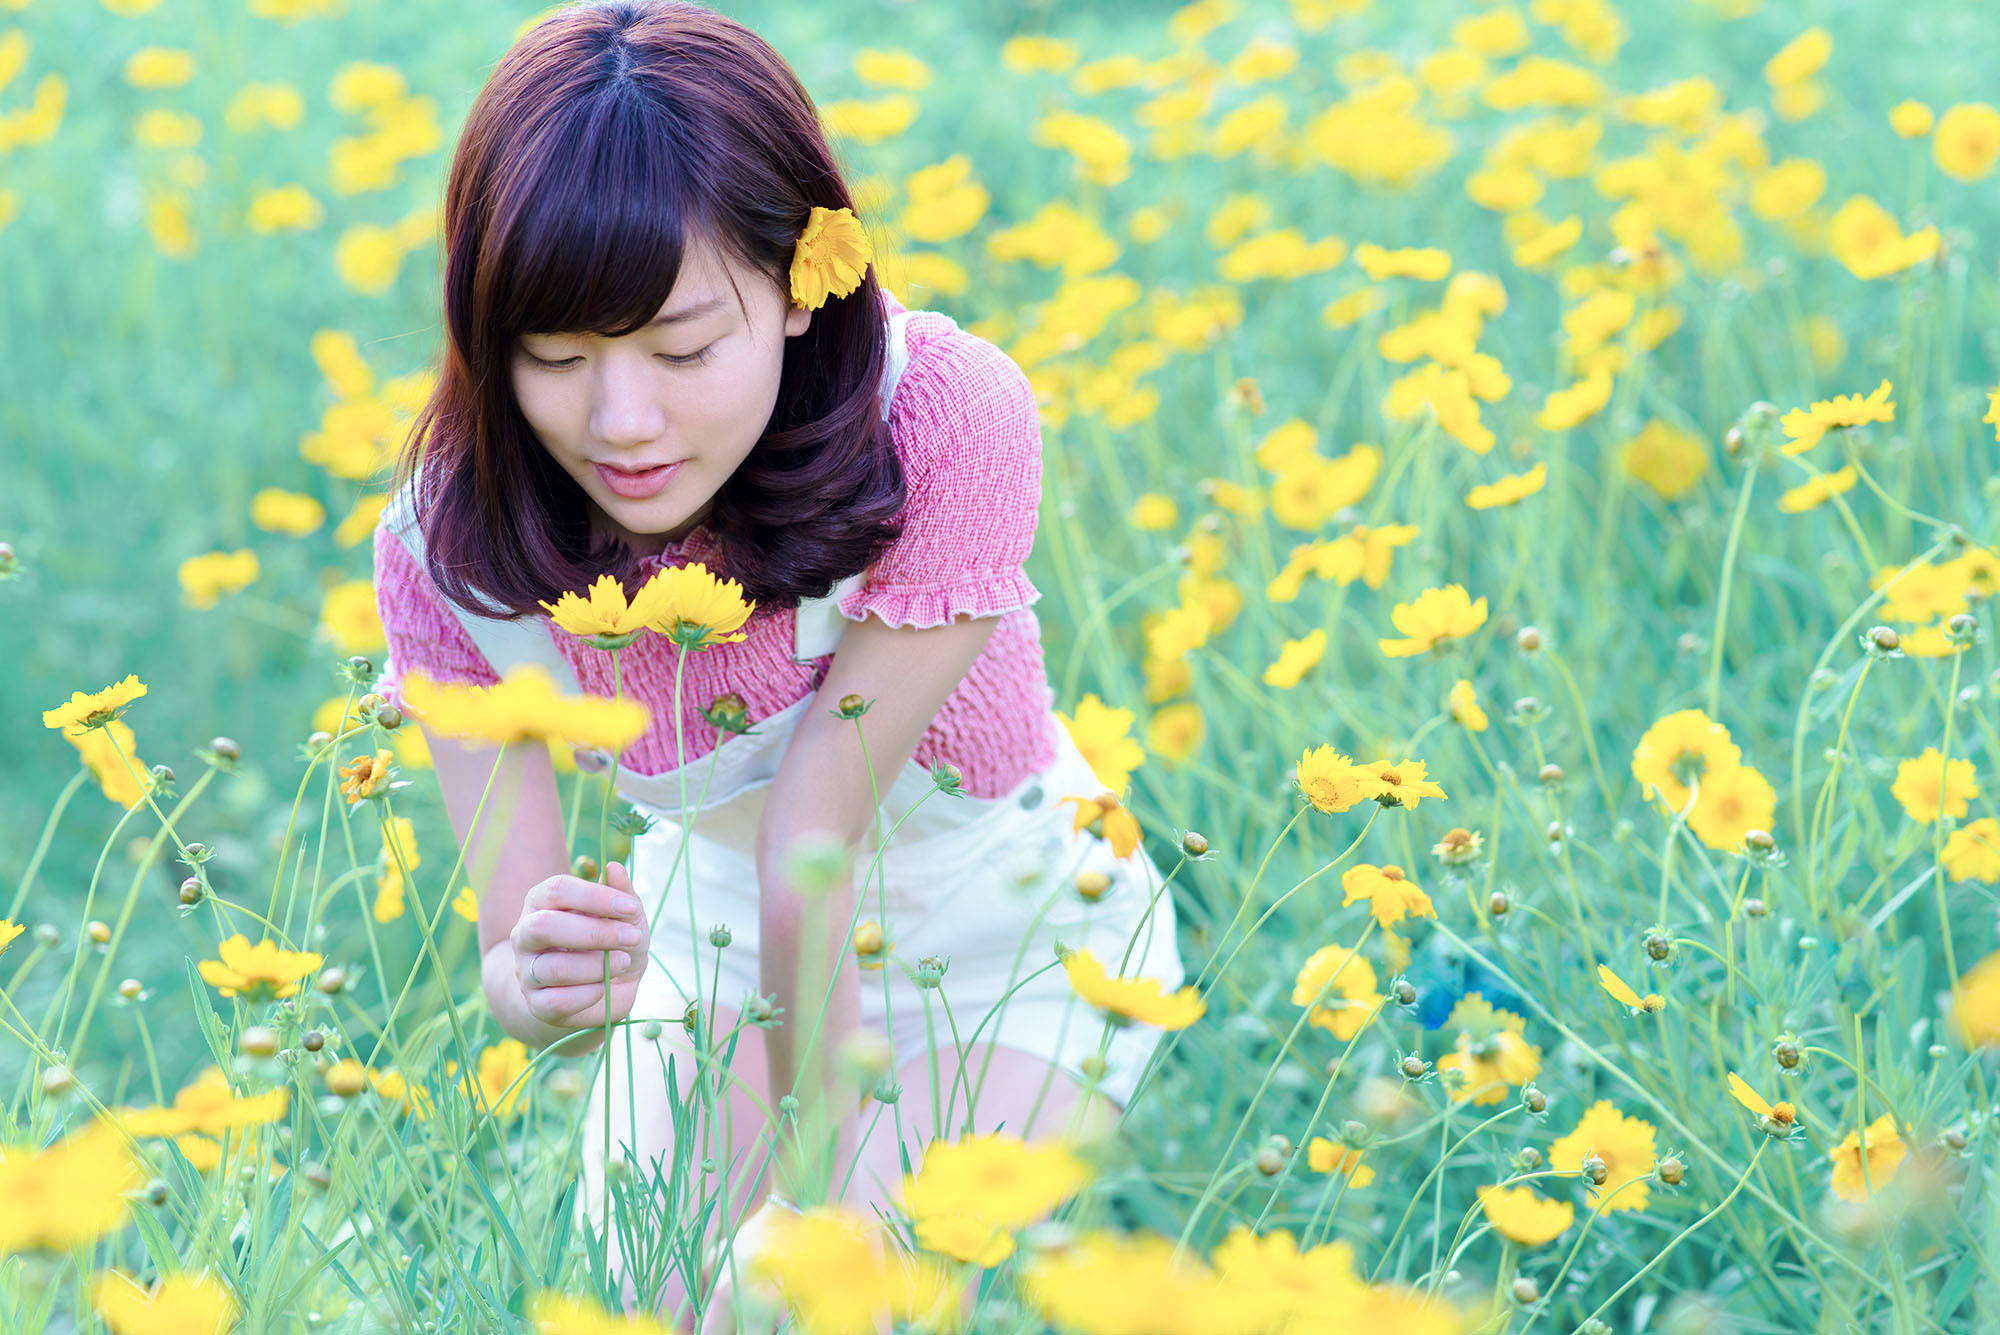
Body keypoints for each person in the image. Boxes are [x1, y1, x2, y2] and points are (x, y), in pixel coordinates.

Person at [368, 2, 1187, 1330]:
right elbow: (524, 991)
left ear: (807, 283)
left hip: (1014, 941)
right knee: (657, 1309)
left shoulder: (942, 420)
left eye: (684, 349)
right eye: (557, 358)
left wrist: (813, 1228)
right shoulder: (441, 549)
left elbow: (814, 838)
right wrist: (556, 979)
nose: (621, 423)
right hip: (715, 957)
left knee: (831, 1298)